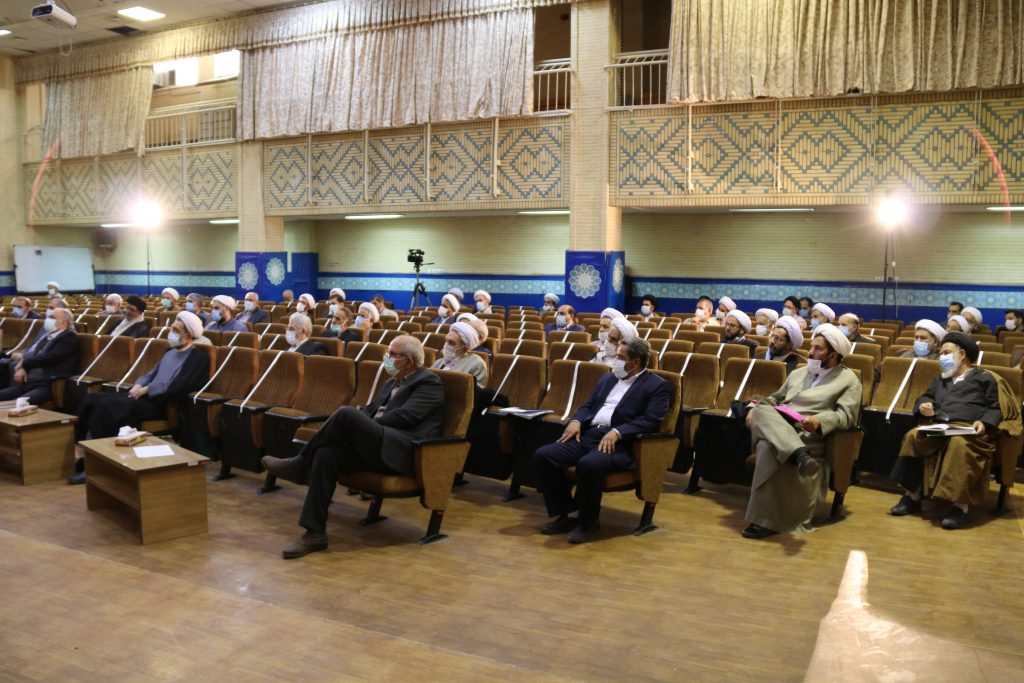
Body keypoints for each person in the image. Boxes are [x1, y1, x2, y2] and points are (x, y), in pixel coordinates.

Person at [262, 335, 445, 559]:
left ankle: (299, 465)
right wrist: (363, 422)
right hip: (377, 444)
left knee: (346, 414)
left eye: (392, 354)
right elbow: (371, 409)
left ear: (408, 361)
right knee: (326, 454)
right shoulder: (392, 382)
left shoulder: (429, 382)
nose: (387, 357)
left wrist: (364, 425)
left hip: (400, 451)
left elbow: (406, 416)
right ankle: (314, 533)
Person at [533, 338, 671, 543]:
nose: (615, 360)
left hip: (619, 443)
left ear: (635, 362)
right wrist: (576, 421)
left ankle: (588, 523)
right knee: (544, 456)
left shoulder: (657, 386)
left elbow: (651, 420)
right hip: (588, 435)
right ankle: (567, 513)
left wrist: (618, 431)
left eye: (621, 357)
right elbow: (588, 405)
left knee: (588, 465)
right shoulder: (608, 378)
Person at [740, 323, 862, 539]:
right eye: (811, 346)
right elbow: (774, 399)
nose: (811, 352)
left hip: (807, 435)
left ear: (834, 355)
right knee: (760, 409)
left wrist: (819, 421)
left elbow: (846, 417)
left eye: (818, 349)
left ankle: (763, 520)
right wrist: (753, 408)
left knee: (767, 447)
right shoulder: (798, 373)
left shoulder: (849, 380)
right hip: (781, 426)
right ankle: (798, 455)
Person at [889, 331, 1020, 530]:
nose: (942, 357)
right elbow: (926, 397)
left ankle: (960, 506)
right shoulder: (941, 379)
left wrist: (985, 422)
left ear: (962, 354)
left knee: (958, 444)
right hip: (941, 429)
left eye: (946, 353)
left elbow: (995, 407)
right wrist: (924, 405)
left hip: (968, 432)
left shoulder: (985, 378)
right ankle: (912, 496)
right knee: (915, 436)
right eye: (941, 353)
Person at [68, 311, 211, 485]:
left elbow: (178, 386)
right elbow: (151, 374)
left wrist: (147, 389)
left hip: (160, 404)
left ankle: (95, 465)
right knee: (92, 399)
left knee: (106, 406)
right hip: (143, 397)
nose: (171, 333)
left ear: (188, 335)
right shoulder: (169, 351)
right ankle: (83, 452)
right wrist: (138, 384)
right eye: (171, 329)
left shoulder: (197, 358)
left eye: (176, 330)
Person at [0, 308, 78, 405]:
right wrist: (23, 367)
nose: (47, 320)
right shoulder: (47, 337)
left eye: (52, 317)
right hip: (29, 382)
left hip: (46, 384)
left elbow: (50, 358)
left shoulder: (69, 337)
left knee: (17, 404)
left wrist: (24, 364)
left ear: (63, 322)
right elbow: (34, 355)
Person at [431, 321, 488, 388]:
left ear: (465, 348)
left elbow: (473, 392)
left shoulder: (477, 364)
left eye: (452, 343)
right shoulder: (439, 362)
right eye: (446, 341)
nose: (446, 345)